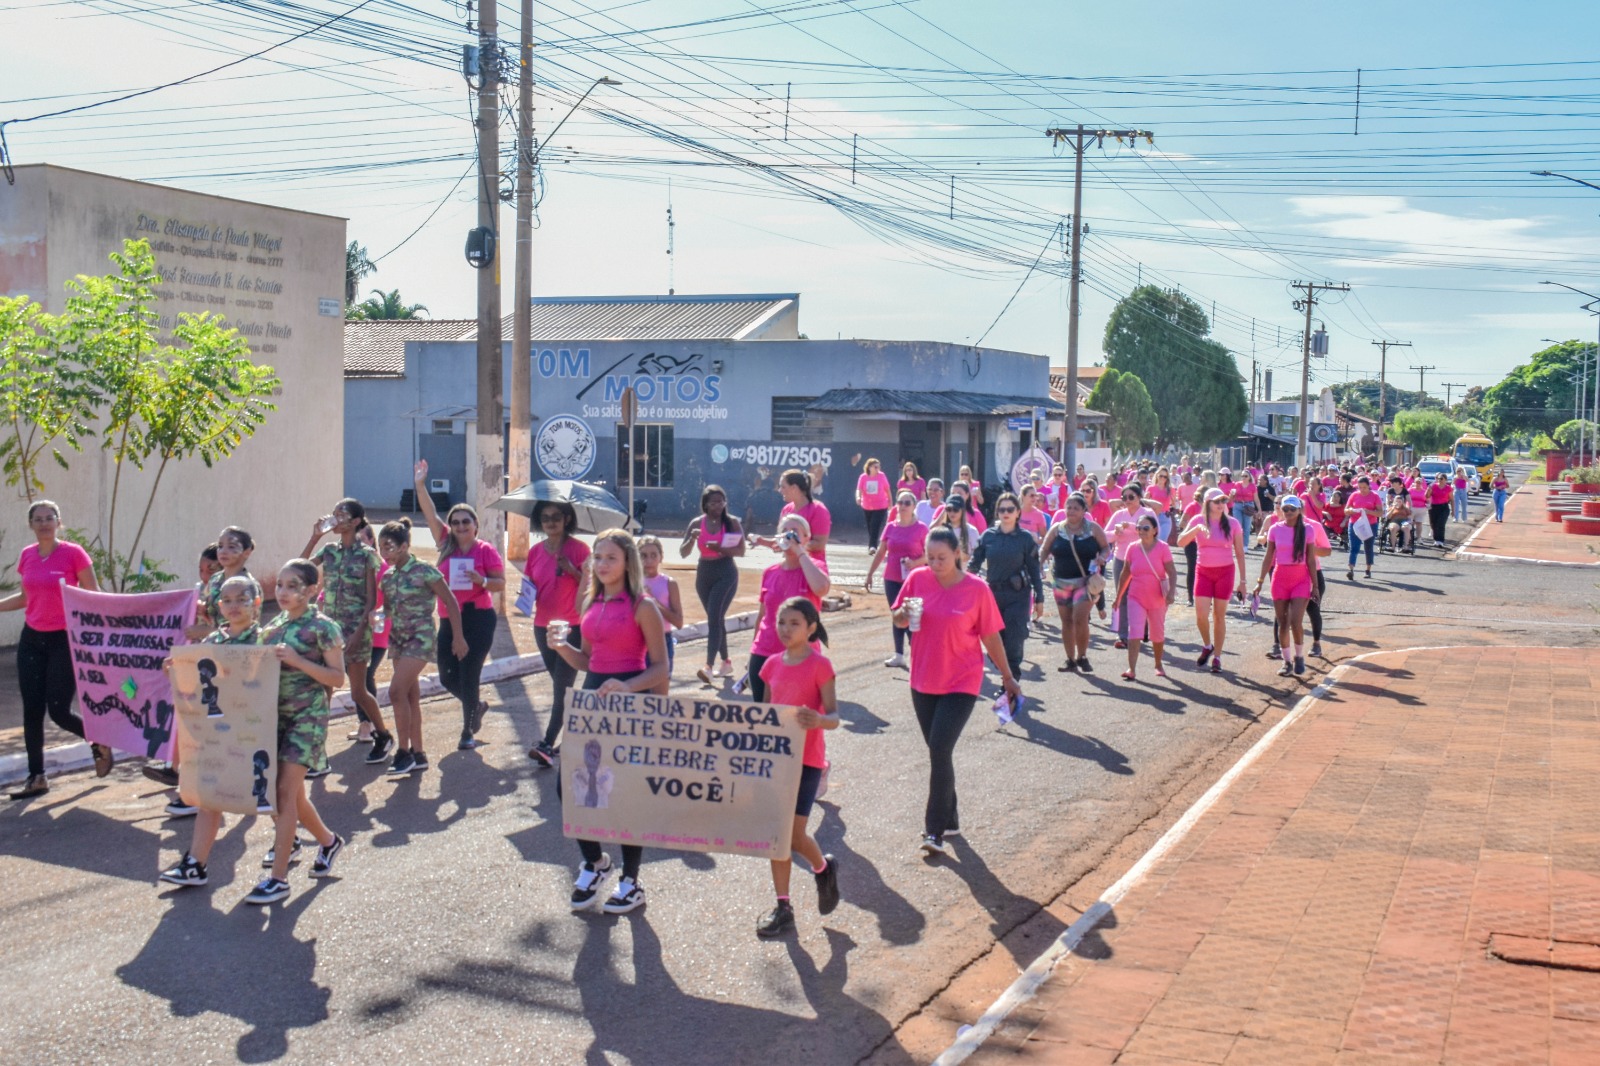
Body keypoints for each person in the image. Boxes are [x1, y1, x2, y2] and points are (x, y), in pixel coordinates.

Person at [552, 529, 670, 915]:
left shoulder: (643, 605)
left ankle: (632, 881)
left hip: (628, 704)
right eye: (597, 558)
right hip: (591, 702)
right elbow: (589, 662)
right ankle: (596, 862)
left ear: (627, 563)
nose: (602, 565)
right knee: (569, 786)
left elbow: (660, 667)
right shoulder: (592, 602)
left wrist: (630, 687)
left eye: (610, 558)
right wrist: (560, 647)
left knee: (625, 795)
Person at [892, 528, 1022, 857]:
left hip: (961, 682)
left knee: (939, 748)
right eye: (930, 557)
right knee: (940, 753)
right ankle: (950, 819)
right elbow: (898, 618)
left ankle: (933, 831)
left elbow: (991, 637)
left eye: (942, 558)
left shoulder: (977, 590)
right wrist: (903, 613)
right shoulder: (918, 579)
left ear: (958, 554)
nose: (935, 564)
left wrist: (1008, 677)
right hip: (922, 680)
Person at [245, 560, 350, 905]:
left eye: (293, 586)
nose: (284, 592)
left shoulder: (324, 628)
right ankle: (328, 841)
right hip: (274, 718)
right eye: (280, 586)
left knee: (284, 793)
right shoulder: (271, 627)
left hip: (308, 717)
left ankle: (278, 879)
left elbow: (337, 678)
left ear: (311, 591)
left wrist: (298, 660)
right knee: (288, 796)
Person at [157, 575, 264, 888]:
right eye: (227, 601)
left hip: (255, 733)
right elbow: (195, 669)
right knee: (210, 795)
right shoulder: (215, 640)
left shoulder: (266, 640)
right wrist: (177, 666)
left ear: (256, 603)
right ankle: (196, 864)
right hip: (220, 733)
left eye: (241, 599)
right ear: (219, 606)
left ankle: (302, 838)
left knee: (273, 797)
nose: (233, 606)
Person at [1, 501, 112, 800]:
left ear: (59, 522)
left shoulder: (73, 553)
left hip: (64, 640)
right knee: (32, 711)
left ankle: (97, 741)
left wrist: (116, 618)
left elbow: (94, 594)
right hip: (32, 641)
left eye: (49, 518)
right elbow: (26, 597)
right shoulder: (27, 555)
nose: (44, 523)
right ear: (31, 525)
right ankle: (36, 776)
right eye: (38, 519)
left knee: (60, 711)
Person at [754, 597, 841, 938]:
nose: (786, 629)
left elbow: (834, 717)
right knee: (777, 835)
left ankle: (823, 868)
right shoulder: (770, 665)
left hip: (806, 762)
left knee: (793, 835)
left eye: (794, 623)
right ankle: (783, 906)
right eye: (781, 622)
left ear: (811, 628)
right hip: (776, 761)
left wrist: (819, 719)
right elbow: (762, 715)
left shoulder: (821, 666)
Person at [413, 461, 505, 750]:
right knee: (446, 675)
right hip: (448, 619)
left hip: (478, 619)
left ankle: (467, 732)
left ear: (476, 525)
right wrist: (419, 485)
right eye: (456, 522)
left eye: (467, 522)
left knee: (469, 672)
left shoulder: (485, 550)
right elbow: (429, 513)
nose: (461, 526)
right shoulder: (445, 544)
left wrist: (482, 580)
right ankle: (476, 705)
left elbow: (500, 582)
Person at [376, 519, 468, 778]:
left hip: (422, 638)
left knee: (395, 692)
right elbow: (388, 610)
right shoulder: (388, 577)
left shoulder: (425, 571)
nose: (385, 553)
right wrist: (379, 616)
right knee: (409, 697)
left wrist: (458, 638)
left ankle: (403, 753)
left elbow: (450, 602)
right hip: (399, 640)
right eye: (382, 548)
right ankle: (418, 753)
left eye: (390, 547)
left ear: (405, 545)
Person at [303, 498, 392, 764]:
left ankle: (384, 735)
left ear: (355, 522)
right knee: (323, 690)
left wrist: (357, 633)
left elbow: (370, 598)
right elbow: (298, 569)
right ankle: (317, 750)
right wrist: (314, 537)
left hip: (355, 632)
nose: (336, 518)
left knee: (357, 692)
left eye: (342, 514)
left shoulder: (366, 555)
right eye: (335, 513)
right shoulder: (329, 551)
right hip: (328, 631)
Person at [527, 499, 592, 767]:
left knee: (561, 689)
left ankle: (546, 744)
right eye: (545, 517)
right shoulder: (535, 552)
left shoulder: (580, 549)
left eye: (556, 516)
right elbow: (530, 584)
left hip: (572, 628)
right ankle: (580, 731)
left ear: (567, 519)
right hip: (542, 627)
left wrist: (572, 571)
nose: (550, 522)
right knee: (561, 688)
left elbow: (591, 586)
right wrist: (525, 596)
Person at [746, 515, 831, 701]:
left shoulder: (815, 567)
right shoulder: (770, 572)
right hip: (765, 653)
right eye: (784, 532)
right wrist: (752, 652)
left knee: (796, 721)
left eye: (794, 532)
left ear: (806, 538)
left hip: (801, 656)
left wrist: (800, 552)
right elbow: (763, 615)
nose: (788, 536)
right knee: (764, 719)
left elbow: (821, 588)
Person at [967, 493, 1043, 682]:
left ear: (1018, 512)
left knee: (1014, 640)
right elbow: (974, 564)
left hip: (1018, 596)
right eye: (1002, 509)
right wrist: (965, 583)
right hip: (993, 596)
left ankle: (1011, 682)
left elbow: (1035, 570)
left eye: (1010, 509)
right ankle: (1004, 671)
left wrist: (1040, 597)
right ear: (997, 513)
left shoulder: (1025, 539)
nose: (1006, 513)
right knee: (994, 644)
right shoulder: (988, 536)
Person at [1253, 496, 1331, 678]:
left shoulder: (1308, 530)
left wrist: (1316, 586)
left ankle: (1299, 656)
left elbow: (1311, 560)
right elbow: (1268, 557)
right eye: (1285, 509)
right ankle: (1286, 661)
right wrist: (1260, 582)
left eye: (1291, 509)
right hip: (1280, 578)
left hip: (1301, 578)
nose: (1288, 512)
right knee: (1283, 622)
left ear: (1299, 510)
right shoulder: (1274, 529)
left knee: (1296, 621)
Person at [680, 485, 744, 687]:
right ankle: (726, 662)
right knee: (716, 619)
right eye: (714, 502)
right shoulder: (697, 523)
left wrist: (721, 548)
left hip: (725, 572)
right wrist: (692, 539)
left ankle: (708, 667)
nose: (718, 505)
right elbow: (683, 552)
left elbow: (740, 550)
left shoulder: (731, 522)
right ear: (705, 504)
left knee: (714, 618)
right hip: (704, 573)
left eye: (721, 501)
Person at [1177, 489, 1245, 675]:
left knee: (1219, 616)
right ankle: (1207, 645)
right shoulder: (1198, 521)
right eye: (1217, 501)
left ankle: (1217, 657)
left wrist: (1243, 581)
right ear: (1207, 503)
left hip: (1225, 572)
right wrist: (1196, 529)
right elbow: (1181, 542)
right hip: (1203, 572)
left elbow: (1239, 553)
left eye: (1223, 500)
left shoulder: (1233, 523)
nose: (1221, 504)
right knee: (1201, 615)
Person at [1040, 493, 1108, 673]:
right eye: (1068, 507)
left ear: (1084, 511)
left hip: (1085, 583)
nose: (1071, 511)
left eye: (1075, 508)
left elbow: (1106, 547)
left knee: (1079, 618)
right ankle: (1070, 659)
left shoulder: (1093, 529)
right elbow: (1045, 549)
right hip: (1061, 582)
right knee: (1066, 621)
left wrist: (1102, 556)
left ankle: (1082, 656)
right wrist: (1037, 566)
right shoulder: (1057, 529)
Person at [864, 492, 927, 669]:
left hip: (913, 579)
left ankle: (917, 652)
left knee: (913, 615)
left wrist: (914, 563)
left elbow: (929, 555)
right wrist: (870, 574)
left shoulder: (922, 529)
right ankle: (899, 654)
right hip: (891, 578)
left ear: (914, 506)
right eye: (900, 502)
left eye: (907, 502)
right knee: (897, 613)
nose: (902, 505)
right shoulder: (890, 527)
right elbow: (881, 551)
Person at [1114, 517, 1177, 681]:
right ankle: (1131, 668)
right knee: (1134, 631)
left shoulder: (1163, 548)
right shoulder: (1132, 548)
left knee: (1157, 633)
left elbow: (1172, 571)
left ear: (1155, 530)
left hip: (1157, 598)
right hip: (1136, 596)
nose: (1141, 531)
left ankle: (1158, 664)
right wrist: (1118, 597)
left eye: (1146, 528)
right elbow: (1126, 573)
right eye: (1139, 528)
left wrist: (1171, 592)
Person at [186, 526, 262, 642]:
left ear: (246, 553)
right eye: (220, 546)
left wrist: (206, 631)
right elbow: (213, 616)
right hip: (214, 645)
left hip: (238, 648)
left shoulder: (250, 587)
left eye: (231, 547)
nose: (223, 551)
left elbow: (250, 630)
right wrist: (203, 611)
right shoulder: (215, 580)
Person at [1104, 485, 1157, 648]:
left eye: (1131, 497)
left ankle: (1144, 627)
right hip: (1121, 559)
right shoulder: (1119, 514)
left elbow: (1155, 533)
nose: (1127, 501)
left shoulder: (1148, 514)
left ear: (1140, 497)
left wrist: (1133, 528)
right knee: (1123, 595)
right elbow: (1105, 535)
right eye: (1124, 497)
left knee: (1142, 595)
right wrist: (1117, 533)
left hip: (1143, 558)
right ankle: (1123, 635)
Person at [757, 468, 830, 564]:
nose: (779, 490)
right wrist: (761, 541)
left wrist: (793, 545)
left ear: (794, 488)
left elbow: (819, 544)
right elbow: (783, 541)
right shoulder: (786, 510)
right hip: (791, 567)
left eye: (783, 487)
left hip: (813, 568)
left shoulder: (818, 510)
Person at [638, 536, 683, 672]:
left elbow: (679, 622)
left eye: (653, 555)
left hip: (663, 640)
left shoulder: (669, 583)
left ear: (661, 557)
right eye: (643, 556)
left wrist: (653, 602)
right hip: (637, 641)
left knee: (659, 690)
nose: (649, 561)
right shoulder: (632, 583)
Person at [1345, 475, 1384, 579]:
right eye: (1360, 487)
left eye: (1364, 487)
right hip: (1355, 523)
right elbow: (1346, 509)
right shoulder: (1354, 495)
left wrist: (1369, 512)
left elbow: (1380, 512)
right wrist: (1350, 511)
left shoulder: (1374, 496)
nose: (1362, 490)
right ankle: (1351, 569)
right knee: (1354, 547)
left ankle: (1368, 569)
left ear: (1369, 486)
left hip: (1370, 524)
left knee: (1368, 547)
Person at [857, 458, 893, 552]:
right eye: (875, 467)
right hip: (867, 506)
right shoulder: (863, 477)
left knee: (874, 524)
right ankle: (872, 543)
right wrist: (858, 497)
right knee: (870, 526)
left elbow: (887, 489)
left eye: (879, 466)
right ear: (869, 467)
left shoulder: (882, 476)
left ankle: (872, 546)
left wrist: (890, 502)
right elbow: (859, 489)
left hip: (881, 505)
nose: (878, 468)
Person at [933, 493, 982, 559]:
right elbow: (931, 531)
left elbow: (975, 557)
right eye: (949, 509)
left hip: (964, 568)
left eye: (955, 510)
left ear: (962, 511)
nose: (952, 513)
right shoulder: (942, 530)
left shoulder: (971, 531)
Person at [1426, 472, 1452, 548]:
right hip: (1434, 507)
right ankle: (1436, 540)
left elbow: (1452, 499)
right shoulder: (1433, 486)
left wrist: (1453, 510)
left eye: (1441, 479)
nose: (1439, 480)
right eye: (1438, 478)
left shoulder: (1448, 488)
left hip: (1444, 507)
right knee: (1433, 524)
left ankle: (1441, 540)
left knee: (1441, 523)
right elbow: (1427, 496)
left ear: (1445, 480)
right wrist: (1429, 489)